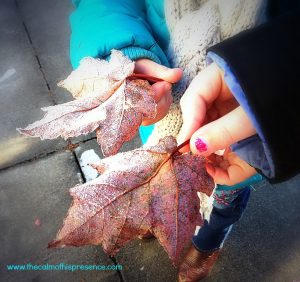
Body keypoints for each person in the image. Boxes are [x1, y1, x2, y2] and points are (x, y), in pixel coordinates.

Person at [68, 0, 299, 281]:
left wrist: (272, 102)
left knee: (224, 203)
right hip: (161, 121)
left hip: (240, 149)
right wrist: (123, 60)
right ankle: (157, 217)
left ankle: (208, 244)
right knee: (158, 184)